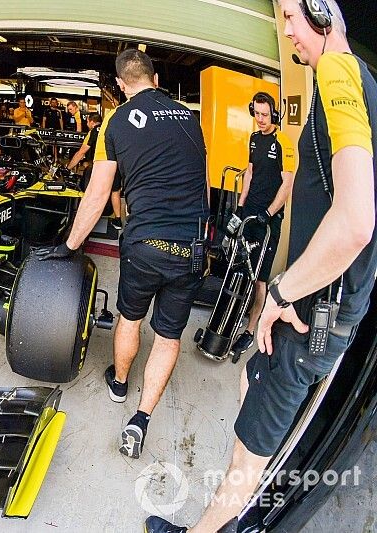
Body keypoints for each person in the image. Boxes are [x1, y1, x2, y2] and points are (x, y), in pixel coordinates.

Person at [145, 1, 376, 532]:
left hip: (310, 313)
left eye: (292, 16)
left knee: (246, 458)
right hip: (321, 304)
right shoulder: (357, 84)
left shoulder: (340, 72)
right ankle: (249, 504)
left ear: (321, 10)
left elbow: (357, 220)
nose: (289, 32)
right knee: (251, 378)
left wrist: (282, 293)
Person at [37, 49, 208, 461]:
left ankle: (118, 384)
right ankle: (141, 419)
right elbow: (199, 182)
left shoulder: (115, 122)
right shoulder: (189, 117)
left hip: (145, 243)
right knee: (168, 337)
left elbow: (98, 194)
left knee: (130, 318)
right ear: (156, 75)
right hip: (191, 246)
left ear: (119, 85)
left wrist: (69, 246)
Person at [228, 92, 295, 358]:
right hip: (250, 212)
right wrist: (241, 207)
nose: (260, 119)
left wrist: (268, 213)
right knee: (238, 263)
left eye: (265, 114)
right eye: (256, 113)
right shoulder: (254, 139)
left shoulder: (284, 143)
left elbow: (287, 184)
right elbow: (250, 173)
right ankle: (228, 316)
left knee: (259, 278)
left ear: (274, 114)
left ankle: (249, 329)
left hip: (269, 219)